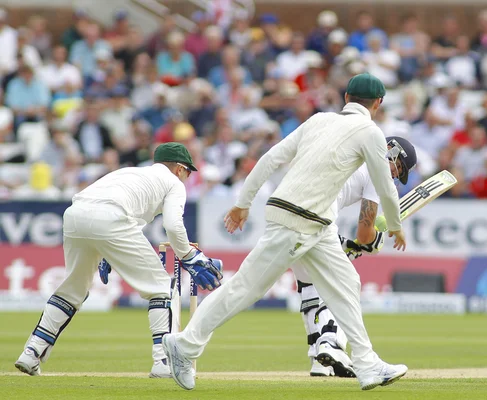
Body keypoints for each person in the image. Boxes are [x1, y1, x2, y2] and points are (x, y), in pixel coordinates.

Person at [162, 73, 409, 391]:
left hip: (313, 221)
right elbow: (386, 187)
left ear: (346, 97)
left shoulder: (319, 119)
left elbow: (271, 158)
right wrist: (397, 227)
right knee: (244, 289)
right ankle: (184, 345)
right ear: (378, 103)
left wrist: (243, 203)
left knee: (348, 283)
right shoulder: (371, 132)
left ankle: (367, 364)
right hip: (299, 220)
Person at [14, 142, 224, 379]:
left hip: (75, 214)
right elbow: (173, 226)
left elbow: (123, 214)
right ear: (179, 169)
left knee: (72, 291)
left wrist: (106, 250)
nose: (186, 178)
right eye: (187, 172)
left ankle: (31, 352)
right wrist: (190, 256)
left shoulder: (131, 173)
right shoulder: (174, 183)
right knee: (161, 288)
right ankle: (163, 361)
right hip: (111, 218)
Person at [294, 136, 417, 377]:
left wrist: (350, 244)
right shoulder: (378, 167)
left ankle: (319, 360)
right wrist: (373, 241)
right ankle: (332, 344)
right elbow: (365, 232)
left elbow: (358, 234)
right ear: (391, 152)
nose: (393, 175)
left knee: (309, 286)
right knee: (346, 285)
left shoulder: (351, 150)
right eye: (398, 168)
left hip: (290, 208)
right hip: (316, 220)